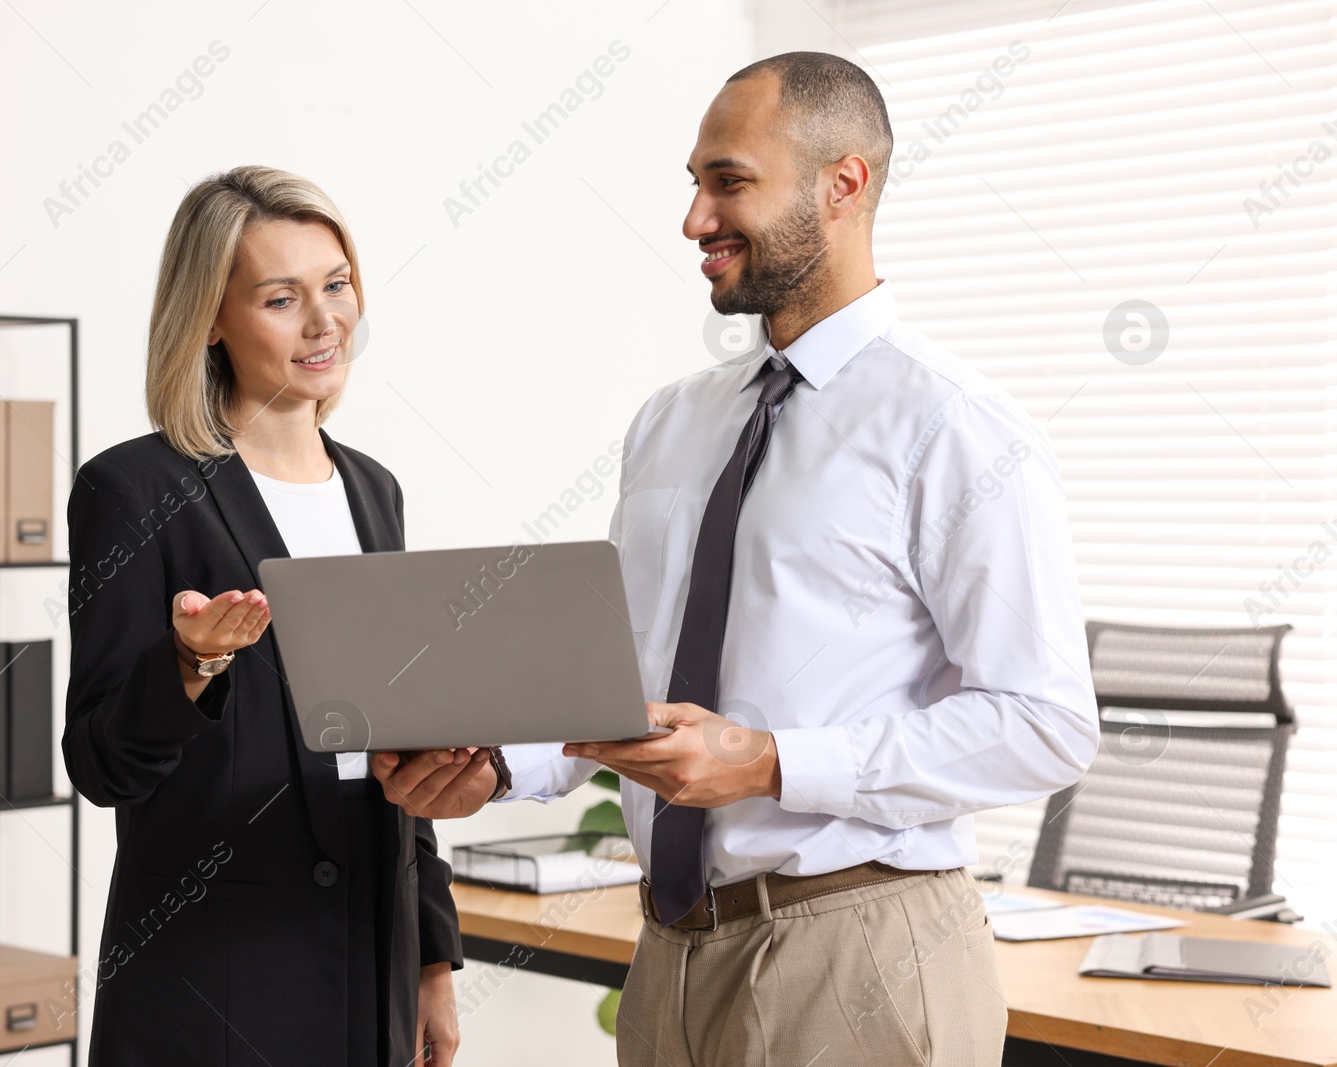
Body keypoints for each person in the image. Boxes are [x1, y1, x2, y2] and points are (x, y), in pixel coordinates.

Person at [374, 53, 1099, 1066]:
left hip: (862, 953)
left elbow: (1045, 722)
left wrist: (766, 760)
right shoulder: (673, 423)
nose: (694, 220)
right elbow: (624, 685)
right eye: (694, 184)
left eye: (729, 182)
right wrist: (496, 764)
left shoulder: (955, 427)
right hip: (672, 954)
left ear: (840, 184)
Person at [64, 165, 472, 1066]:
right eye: (283, 298)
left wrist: (433, 955)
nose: (325, 320)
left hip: (371, 961)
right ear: (211, 318)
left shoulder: (375, 492)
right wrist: (188, 664)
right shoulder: (134, 490)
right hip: (216, 978)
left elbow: (405, 733)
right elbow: (98, 762)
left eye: (337, 284)